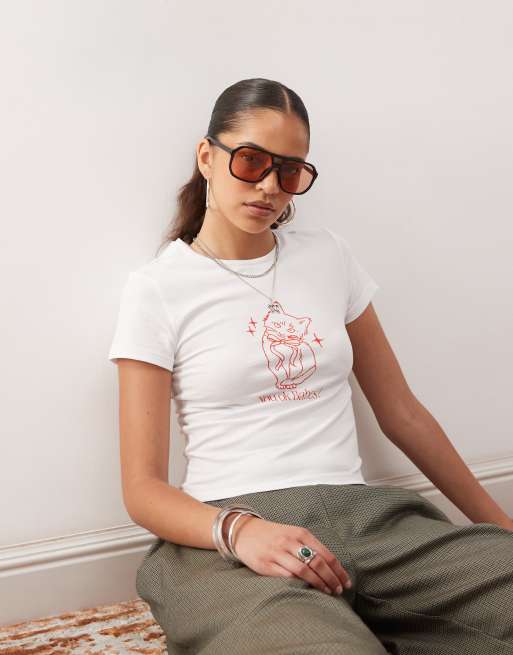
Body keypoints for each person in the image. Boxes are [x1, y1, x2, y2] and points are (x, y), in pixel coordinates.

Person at [108, 77, 513, 655]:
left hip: (369, 522)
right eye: (251, 161)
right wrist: (241, 532)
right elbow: (142, 489)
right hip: (231, 539)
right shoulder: (158, 289)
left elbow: (402, 414)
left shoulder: (328, 256)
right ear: (207, 157)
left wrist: (500, 528)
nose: (270, 186)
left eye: (290, 171)